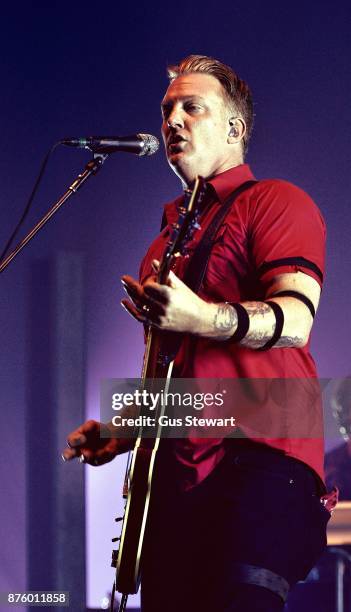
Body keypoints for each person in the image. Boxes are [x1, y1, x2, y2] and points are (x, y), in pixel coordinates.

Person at [62, 55, 335, 612]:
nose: (173, 121)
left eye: (193, 107)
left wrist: (204, 317)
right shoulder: (163, 245)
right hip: (178, 478)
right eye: (167, 110)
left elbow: (296, 319)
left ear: (234, 128)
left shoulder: (276, 201)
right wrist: (125, 430)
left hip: (260, 463)